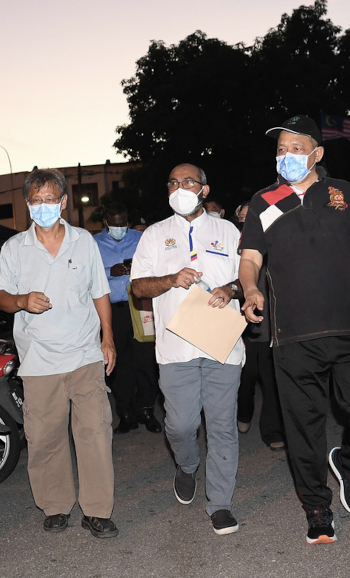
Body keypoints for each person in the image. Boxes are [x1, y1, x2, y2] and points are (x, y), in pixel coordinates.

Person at [239, 115, 350, 545]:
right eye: (280, 148)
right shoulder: (264, 200)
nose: (286, 155)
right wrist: (250, 288)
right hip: (292, 335)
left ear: (317, 153)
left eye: (295, 147)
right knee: (302, 426)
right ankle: (317, 507)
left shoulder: (343, 193)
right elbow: (250, 256)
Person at [0, 168, 119, 539]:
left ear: (63, 202)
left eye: (50, 199)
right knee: (45, 437)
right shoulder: (15, 248)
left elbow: (100, 292)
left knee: (95, 432)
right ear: (27, 204)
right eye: (36, 200)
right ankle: (56, 505)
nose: (43, 206)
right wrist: (21, 301)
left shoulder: (84, 242)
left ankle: (97, 510)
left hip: (83, 355)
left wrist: (107, 338)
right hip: (39, 360)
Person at [131, 163, 244, 536]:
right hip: (175, 348)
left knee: (222, 425)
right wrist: (170, 279)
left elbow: (250, 275)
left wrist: (231, 289)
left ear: (204, 190)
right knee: (180, 425)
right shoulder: (154, 234)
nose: (180, 187)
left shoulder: (228, 231)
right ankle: (187, 464)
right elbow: (138, 288)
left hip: (222, 346)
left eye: (188, 181)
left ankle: (221, 504)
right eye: (173, 182)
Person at [94, 202, 161, 434]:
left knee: (146, 361)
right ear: (106, 223)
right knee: (118, 363)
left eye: (123, 224)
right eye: (115, 224)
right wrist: (109, 272)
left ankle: (147, 409)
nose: (120, 228)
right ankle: (125, 413)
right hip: (113, 311)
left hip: (140, 306)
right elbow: (87, 276)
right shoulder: (94, 244)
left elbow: (157, 266)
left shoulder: (141, 238)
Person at [234, 201, 285, 451]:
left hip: (269, 326)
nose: (246, 220)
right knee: (245, 379)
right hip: (240, 327)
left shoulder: (271, 242)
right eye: (241, 217)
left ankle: (272, 430)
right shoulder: (234, 246)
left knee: (271, 381)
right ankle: (244, 413)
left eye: (249, 216)